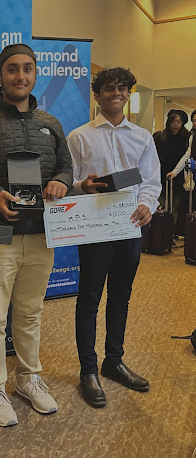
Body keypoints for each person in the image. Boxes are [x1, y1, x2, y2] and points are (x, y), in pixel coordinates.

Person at [0, 44, 73, 427]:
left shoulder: (51, 123)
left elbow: (67, 167)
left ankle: (29, 379)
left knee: (30, 312)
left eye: (27, 69)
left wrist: (59, 181)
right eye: (11, 69)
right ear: (0, 75)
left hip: (40, 233)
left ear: (35, 74)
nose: (20, 76)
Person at [67, 67, 161, 408]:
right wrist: (82, 186)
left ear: (128, 94)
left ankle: (113, 361)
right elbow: (69, 180)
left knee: (121, 295)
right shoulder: (79, 136)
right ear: (97, 95)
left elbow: (150, 181)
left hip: (130, 227)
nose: (116, 94)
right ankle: (88, 370)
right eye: (109, 89)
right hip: (95, 228)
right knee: (90, 297)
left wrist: (148, 205)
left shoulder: (142, 137)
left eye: (122, 89)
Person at [153, 109, 190, 236]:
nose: (176, 124)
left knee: (175, 205)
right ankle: (160, 232)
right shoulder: (159, 136)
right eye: (173, 121)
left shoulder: (187, 138)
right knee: (161, 204)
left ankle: (172, 233)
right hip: (161, 175)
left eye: (179, 122)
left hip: (179, 177)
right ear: (168, 122)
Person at [167, 109, 196, 218]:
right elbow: (187, 155)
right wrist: (174, 172)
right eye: (194, 120)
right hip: (192, 177)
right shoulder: (192, 137)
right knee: (188, 207)